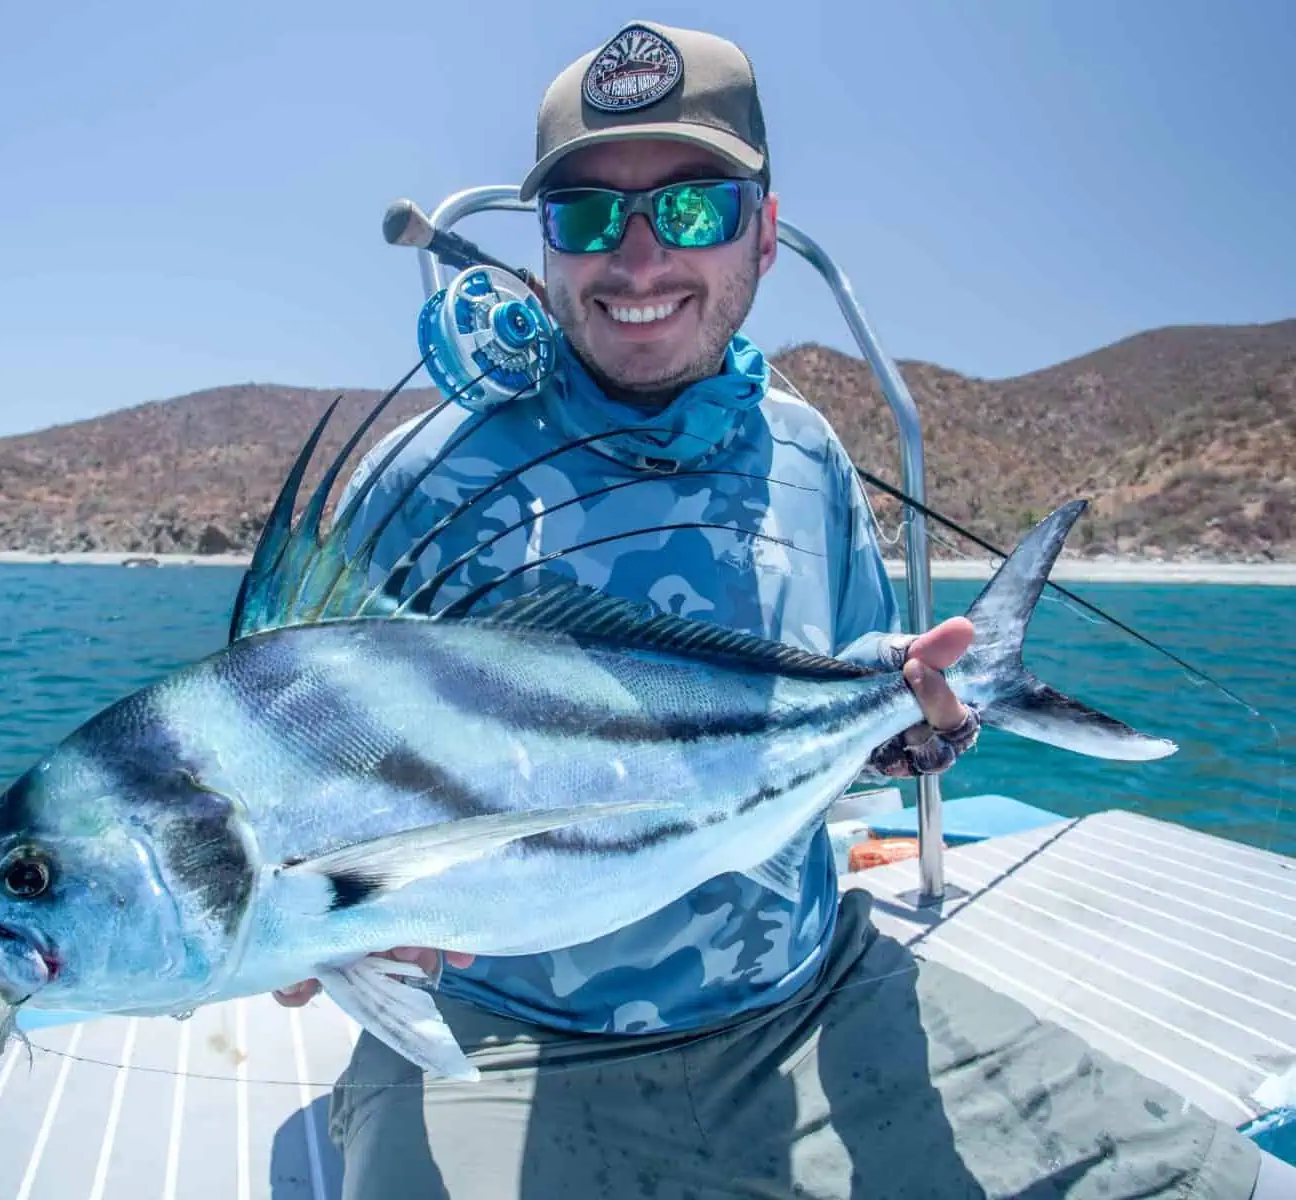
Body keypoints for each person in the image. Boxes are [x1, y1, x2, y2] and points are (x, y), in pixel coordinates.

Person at [275, 21, 1282, 1199]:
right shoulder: (417, 483)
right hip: (498, 1029)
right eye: (590, 215)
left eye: (693, 208)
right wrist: (304, 916)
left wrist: (911, 725)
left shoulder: (811, 459)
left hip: (809, 990)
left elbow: (840, 704)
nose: (639, 261)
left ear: (762, 226)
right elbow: (309, 773)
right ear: (545, 244)